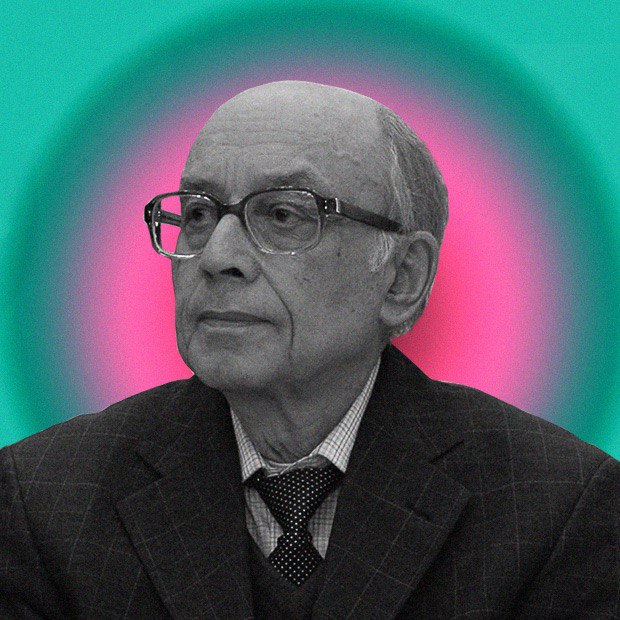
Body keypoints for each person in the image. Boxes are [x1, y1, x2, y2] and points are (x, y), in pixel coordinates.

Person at [0, 81, 618, 619]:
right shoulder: (44, 499)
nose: (217, 257)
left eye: (284, 215)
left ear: (402, 279)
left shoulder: (556, 507)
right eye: (198, 214)